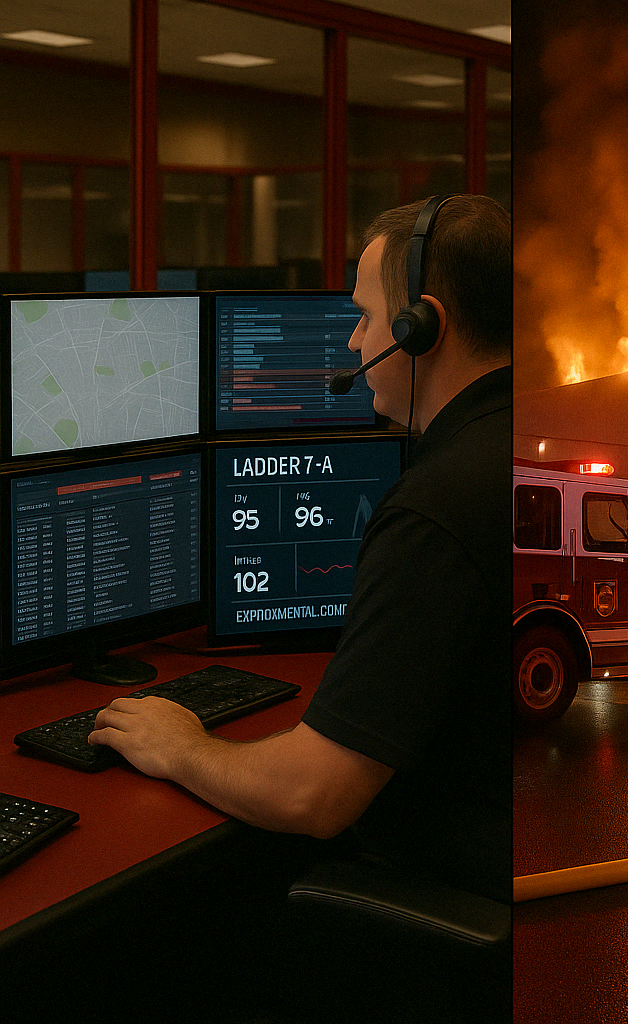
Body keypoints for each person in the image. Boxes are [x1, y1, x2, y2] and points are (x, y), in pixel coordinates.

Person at [87, 194, 511, 1016]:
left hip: (435, 902)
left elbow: (316, 796)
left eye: (363, 318)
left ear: (423, 326)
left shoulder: (437, 506)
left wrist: (185, 745)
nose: (353, 341)